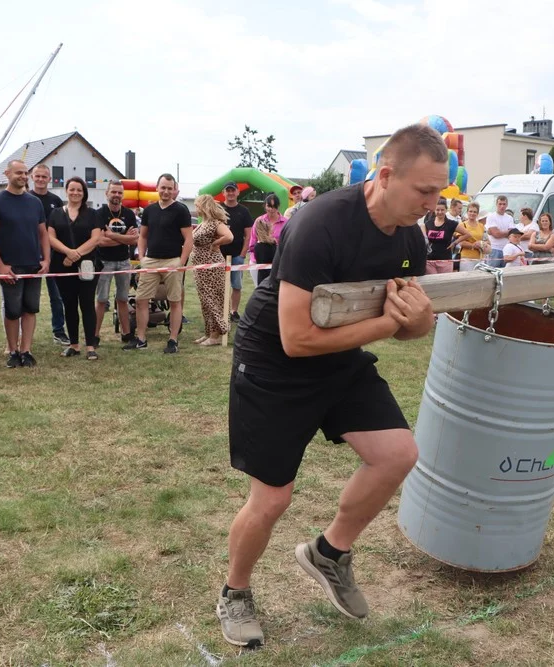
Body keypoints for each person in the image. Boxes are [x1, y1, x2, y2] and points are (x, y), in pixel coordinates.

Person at [218, 123, 441, 648]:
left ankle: (329, 553)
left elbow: (409, 320)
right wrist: (391, 325)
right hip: (274, 362)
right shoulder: (320, 223)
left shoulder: (409, 236)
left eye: (438, 193)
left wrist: (421, 320)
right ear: (386, 175)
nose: (432, 205)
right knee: (272, 499)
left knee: (397, 454)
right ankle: (235, 591)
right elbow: (296, 339)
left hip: (341, 356)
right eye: (424, 191)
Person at [0, 160, 50, 369]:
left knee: (30, 310)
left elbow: (43, 233)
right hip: (10, 266)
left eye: (25, 172)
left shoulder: (35, 203)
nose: (23, 176)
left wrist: (46, 260)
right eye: (18, 172)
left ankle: (26, 350)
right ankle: (12, 351)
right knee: (12, 311)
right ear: (7, 173)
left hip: (33, 265)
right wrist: (0, 266)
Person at [124, 174, 192, 353]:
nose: (166, 191)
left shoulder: (181, 210)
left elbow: (189, 239)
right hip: (151, 261)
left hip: (173, 261)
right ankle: (141, 338)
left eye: (170, 188)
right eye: (163, 187)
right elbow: (143, 236)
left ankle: (173, 340)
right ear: (157, 188)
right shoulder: (149, 210)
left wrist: (181, 263)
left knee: (175, 301)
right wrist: (142, 257)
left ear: (174, 190)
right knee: (141, 300)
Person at [48, 177, 104, 360]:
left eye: (79, 190)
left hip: (88, 265)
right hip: (62, 266)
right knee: (69, 305)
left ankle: (90, 346)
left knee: (87, 304)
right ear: (66, 191)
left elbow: (95, 238)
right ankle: (74, 345)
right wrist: (67, 252)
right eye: (72, 189)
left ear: (84, 192)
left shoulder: (93, 214)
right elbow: (51, 238)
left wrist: (75, 254)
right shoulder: (56, 213)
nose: (75, 193)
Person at [95, 181, 139, 343]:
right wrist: (124, 238)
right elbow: (99, 241)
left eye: (119, 193)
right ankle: (95, 336)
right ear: (107, 193)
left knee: (122, 298)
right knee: (101, 299)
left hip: (123, 261)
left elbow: (134, 239)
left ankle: (126, 334)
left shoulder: (128, 214)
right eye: (113, 192)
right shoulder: (99, 214)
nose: (116, 195)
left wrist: (112, 235)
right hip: (104, 261)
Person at [30, 163, 69, 345]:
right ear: (32, 177)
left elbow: (62, 228)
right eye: (37, 176)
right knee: (29, 297)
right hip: (30, 254)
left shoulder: (56, 201)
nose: (40, 179)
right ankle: (25, 334)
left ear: (50, 179)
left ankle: (59, 331)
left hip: (53, 255)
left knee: (58, 295)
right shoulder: (26, 198)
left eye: (44, 176)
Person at [190, 195, 233, 346]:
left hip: (212, 267)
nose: (196, 209)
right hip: (201, 268)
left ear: (203, 206)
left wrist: (216, 242)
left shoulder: (215, 223)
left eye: (197, 205)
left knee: (213, 298)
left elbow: (229, 236)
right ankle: (209, 332)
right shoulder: (203, 223)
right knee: (205, 300)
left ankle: (216, 334)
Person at [220, 182, 254, 322]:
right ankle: (221, 312)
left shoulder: (244, 211)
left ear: (238, 192)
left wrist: (242, 254)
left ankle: (234, 312)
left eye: (233, 191)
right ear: (224, 193)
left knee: (236, 285)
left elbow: (249, 235)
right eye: (228, 191)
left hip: (236, 255)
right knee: (219, 285)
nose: (230, 193)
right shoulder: (218, 209)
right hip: (219, 255)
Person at [248, 193, 287, 285]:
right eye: (269, 206)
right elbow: (252, 243)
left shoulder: (286, 222)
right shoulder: (259, 221)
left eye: (274, 206)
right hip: (258, 260)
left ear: (278, 206)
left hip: (277, 261)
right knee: (259, 287)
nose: (271, 209)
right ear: (265, 205)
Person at [421, 197, 456, 274]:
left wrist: (454, 243)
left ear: (446, 210)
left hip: (445, 260)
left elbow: (467, 234)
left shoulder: (451, 224)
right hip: (430, 260)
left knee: (444, 284)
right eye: (437, 210)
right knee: (432, 282)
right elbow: (422, 234)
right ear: (434, 210)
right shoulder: (428, 223)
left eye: (442, 210)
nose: (440, 212)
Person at [452, 201, 485, 271]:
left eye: (475, 212)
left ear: (477, 214)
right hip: (466, 258)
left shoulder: (481, 226)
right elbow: (461, 242)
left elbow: (486, 240)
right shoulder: (462, 225)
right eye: (470, 211)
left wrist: (483, 245)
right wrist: (473, 245)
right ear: (467, 212)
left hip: (479, 258)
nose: (472, 213)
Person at [484, 195, 514, 268]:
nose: (502, 206)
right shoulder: (491, 216)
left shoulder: (509, 218)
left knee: (505, 273)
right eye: (500, 204)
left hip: (506, 249)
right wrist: (507, 232)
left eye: (504, 204)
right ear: (496, 205)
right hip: (494, 249)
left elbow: (512, 234)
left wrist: (500, 232)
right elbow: (496, 234)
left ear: (507, 205)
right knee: (492, 271)